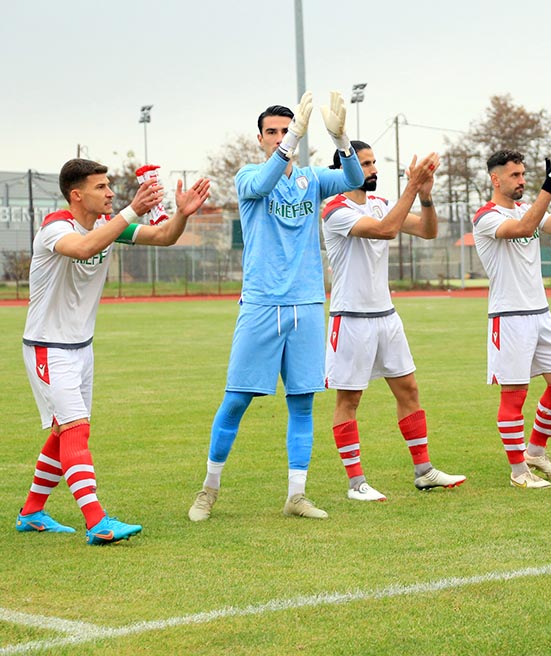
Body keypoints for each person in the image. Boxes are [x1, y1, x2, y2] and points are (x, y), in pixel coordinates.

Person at [188, 92, 364, 521]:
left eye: (288, 131)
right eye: (274, 132)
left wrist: (342, 138)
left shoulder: (314, 179)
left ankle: (296, 495)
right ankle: (208, 490)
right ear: (261, 138)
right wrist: (290, 145)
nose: (282, 137)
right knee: (235, 401)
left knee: (302, 404)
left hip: (306, 304)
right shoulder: (249, 175)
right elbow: (264, 183)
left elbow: (354, 178)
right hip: (262, 304)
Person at [17, 158, 210, 544]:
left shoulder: (106, 225)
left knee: (62, 432)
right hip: (48, 348)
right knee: (76, 430)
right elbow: (84, 246)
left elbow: (164, 237)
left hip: (80, 348)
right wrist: (131, 210)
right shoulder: (56, 228)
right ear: (77, 194)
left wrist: (183, 215)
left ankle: (32, 512)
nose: (109, 193)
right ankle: (97, 521)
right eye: (101, 187)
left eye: (109, 186)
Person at [321, 142, 466, 501]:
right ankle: (356, 484)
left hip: (386, 316)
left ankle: (424, 471)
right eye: (365, 164)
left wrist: (426, 197)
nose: (372, 169)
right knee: (350, 400)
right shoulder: (334, 209)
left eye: (373, 162)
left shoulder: (381, 203)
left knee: (409, 391)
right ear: (344, 170)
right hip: (351, 318)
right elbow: (386, 230)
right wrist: (412, 188)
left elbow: (429, 231)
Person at [473, 149, 551, 489]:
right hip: (510, 317)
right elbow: (523, 229)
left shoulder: (525, 208)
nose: (522, 180)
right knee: (514, 396)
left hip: (541, 313)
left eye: (523, 174)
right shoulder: (486, 216)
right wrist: (549, 184)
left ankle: (535, 452)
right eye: (515, 175)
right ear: (496, 179)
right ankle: (519, 471)